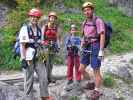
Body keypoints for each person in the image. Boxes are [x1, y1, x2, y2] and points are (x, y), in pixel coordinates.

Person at [19, 8, 52, 100]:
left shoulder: (38, 29)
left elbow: (39, 42)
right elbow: (22, 45)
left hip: (38, 56)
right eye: (33, 17)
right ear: (30, 17)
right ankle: (28, 97)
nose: (34, 19)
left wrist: (44, 43)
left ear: (38, 18)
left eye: (36, 17)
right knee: (29, 79)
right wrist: (23, 59)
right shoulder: (25, 29)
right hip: (28, 57)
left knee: (44, 77)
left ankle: (45, 96)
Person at [79, 1, 105, 99]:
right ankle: (91, 83)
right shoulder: (84, 22)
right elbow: (83, 36)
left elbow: (102, 35)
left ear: (92, 10)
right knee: (81, 69)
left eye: (88, 10)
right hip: (86, 46)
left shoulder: (98, 21)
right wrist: (81, 45)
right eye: (85, 10)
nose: (86, 12)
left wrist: (101, 50)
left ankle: (97, 90)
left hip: (95, 46)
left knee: (96, 69)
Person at [41, 11, 60, 83]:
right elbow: (42, 38)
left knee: (51, 63)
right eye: (51, 18)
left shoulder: (55, 28)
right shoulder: (45, 27)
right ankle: (45, 78)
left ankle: (50, 77)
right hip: (46, 47)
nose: (53, 19)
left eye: (54, 18)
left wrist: (58, 46)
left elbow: (57, 38)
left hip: (53, 46)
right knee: (46, 63)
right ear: (49, 18)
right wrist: (43, 45)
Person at [64, 24, 81, 91]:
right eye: (72, 30)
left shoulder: (78, 38)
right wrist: (69, 46)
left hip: (76, 54)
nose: (73, 31)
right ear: (70, 31)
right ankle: (70, 79)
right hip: (70, 54)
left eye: (74, 30)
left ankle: (78, 78)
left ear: (76, 31)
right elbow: (66, 46)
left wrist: (76, 46)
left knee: (77, 66)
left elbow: (80, 45)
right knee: (70, 66)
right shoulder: (68, 38)